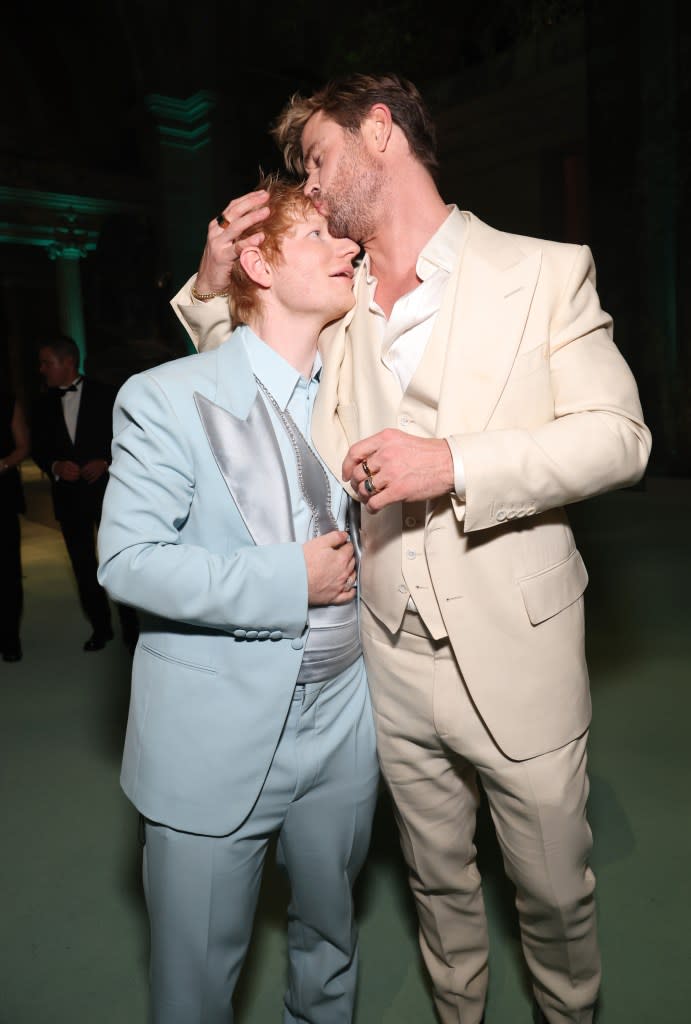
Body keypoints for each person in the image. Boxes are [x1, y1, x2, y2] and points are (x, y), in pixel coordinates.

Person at [170, 74, 652, 1024]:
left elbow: (618, 436)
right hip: (386, 654)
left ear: (379, 132)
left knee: (554, 898)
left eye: (317, 155)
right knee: (437, 887)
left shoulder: (543, 271)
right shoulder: (338, 298)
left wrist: (454, 462)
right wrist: (214, 276)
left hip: (518, 647)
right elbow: (240, 361)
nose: (307, 179)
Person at [97, 175, 379, 1024]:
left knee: (330, 945)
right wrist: (291, 579)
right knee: (194, 987)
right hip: (212, 732)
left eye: (350, 240)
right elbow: (128, 561)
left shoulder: (367, 395)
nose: (350, 249)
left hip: (345, 721)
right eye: (323, 238)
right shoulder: (163, 397)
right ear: (255, 260)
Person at [31, 335, 139, 653]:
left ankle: (132, 631)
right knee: (82, 565)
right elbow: (38, 448)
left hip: (108, 493)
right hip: (68, 497)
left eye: (46, 363)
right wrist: (55, 465)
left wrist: (105, 460)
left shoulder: (106, 394)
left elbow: (128, 436)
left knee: (118, 560)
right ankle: (101, 628)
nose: (41, 370)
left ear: (67, 362)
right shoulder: (41, 404)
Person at [0, 386, 30, 662]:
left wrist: (4, 464)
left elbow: (23, 446)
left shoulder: (8, 400)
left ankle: (10, 639)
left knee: (8, 572)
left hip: (3, 496)